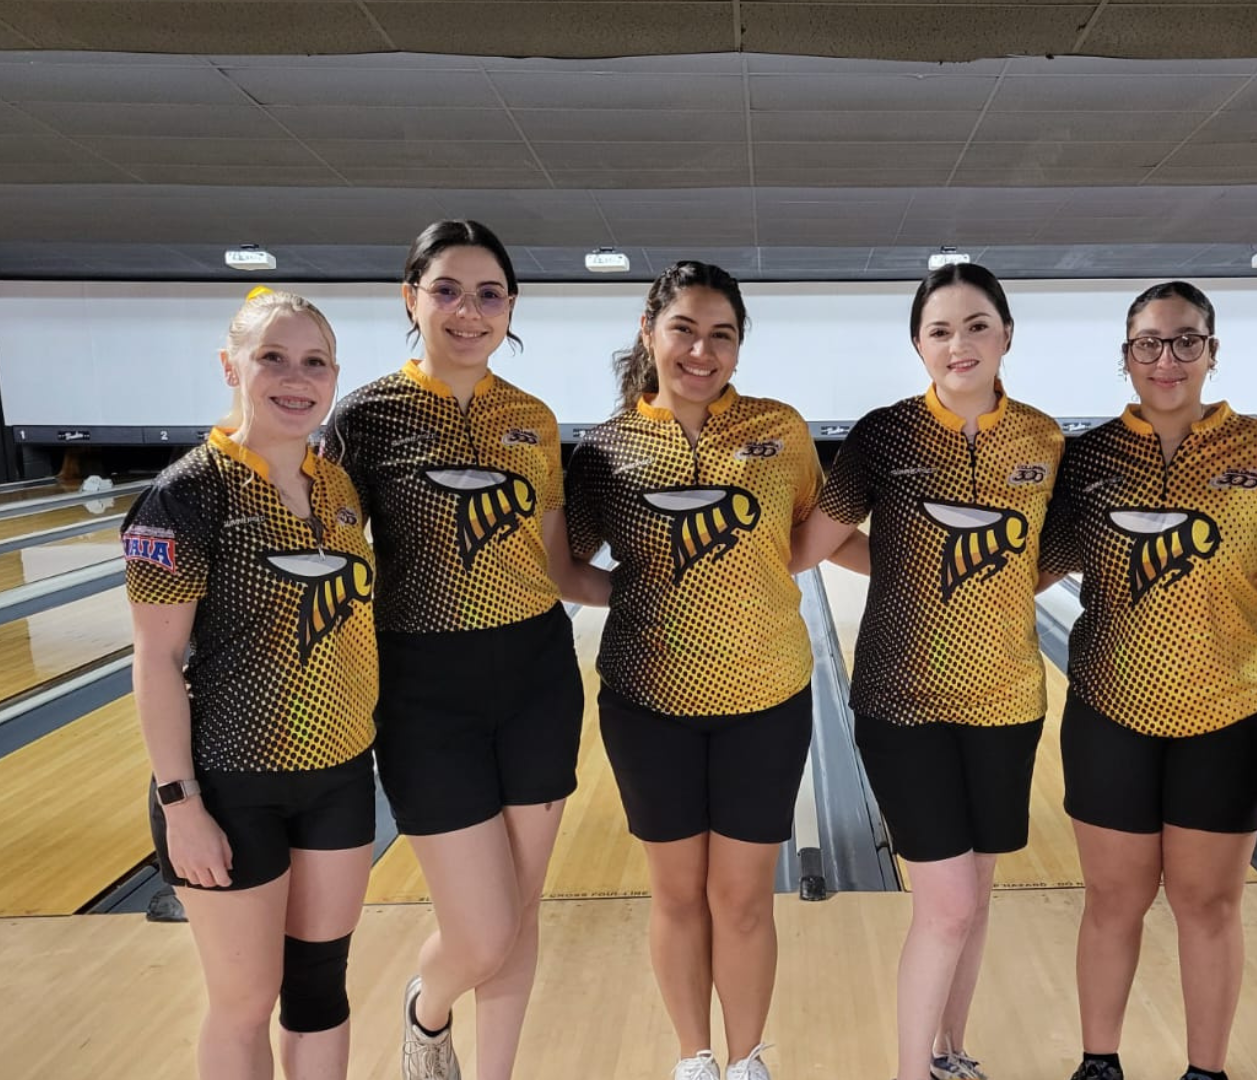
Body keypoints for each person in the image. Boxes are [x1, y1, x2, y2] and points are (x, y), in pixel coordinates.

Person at [324, 220, 598, 1080]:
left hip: (535, 679)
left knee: (520, 912)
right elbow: (334, 559)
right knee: (480, 929)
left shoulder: (534, 420)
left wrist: (668, 592)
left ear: (510, 308)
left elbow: (556, 569)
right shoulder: (365, 417)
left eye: (489, 295)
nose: (468, 311)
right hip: (422, 691)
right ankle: (426, 1005)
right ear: (411, 298)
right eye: (447, 290)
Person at [790, 262, 1064, 1080]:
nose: (960, 343)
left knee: (973, 900)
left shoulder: (1046, 440)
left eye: (977, 324)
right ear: (918, 344)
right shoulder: (885, 435)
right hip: (902, 702)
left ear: (1007, 334)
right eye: (940, 330)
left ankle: (952, 1054)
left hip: (1009, 698)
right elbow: (813, 543)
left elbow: (1042, 561)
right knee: (945, 905)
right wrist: (899, 563)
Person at [564, 261, 824, 1080]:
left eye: (722, 335)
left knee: (741, 899)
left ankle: (747, 1062)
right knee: (677, 895)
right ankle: (694, 1059)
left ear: (739, 347)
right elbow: (568, 569)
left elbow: (810, 534)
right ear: (650, 333)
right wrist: (638, 594)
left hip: (766, 697)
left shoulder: (780, 429)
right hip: (648, 702)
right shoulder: (606, 450)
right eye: (684, 330)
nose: (702, 351)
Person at [1039, 282, 1257, 1080]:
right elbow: (1021, 566)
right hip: (1112, 711)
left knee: (1208, 904)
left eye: (1186, 340)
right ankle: (1099, 1064)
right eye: (1148, 343)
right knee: (1113, 901)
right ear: (1126, 359)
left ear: (1212, 353)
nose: (1167, 358)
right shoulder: (1085, 460)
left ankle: (1205, 1071)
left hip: (1230, 713)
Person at [127, 287, 376, 1080]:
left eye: (314, 362)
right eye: (272, 357)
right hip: (232, 786)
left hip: (338, 777)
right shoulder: (183, 495)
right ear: (230, 364)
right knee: (243, 1002)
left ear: (334, 376)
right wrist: (181, 804)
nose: (293, 378)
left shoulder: (338, 489)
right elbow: (156, 660)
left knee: (319, 991)